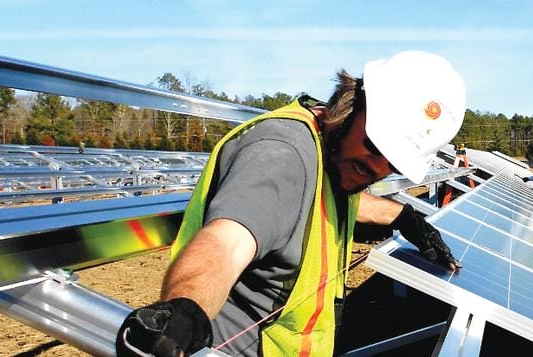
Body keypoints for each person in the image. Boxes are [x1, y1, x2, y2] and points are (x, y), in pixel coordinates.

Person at [116, 51, 465, 357]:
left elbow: (315, 204)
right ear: (354, 101)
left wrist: (404, 217)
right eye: (375, 144)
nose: (377, 167)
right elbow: (227, 242)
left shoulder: (330, 149)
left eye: (393, 161)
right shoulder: (281, 155)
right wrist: (187, 308)